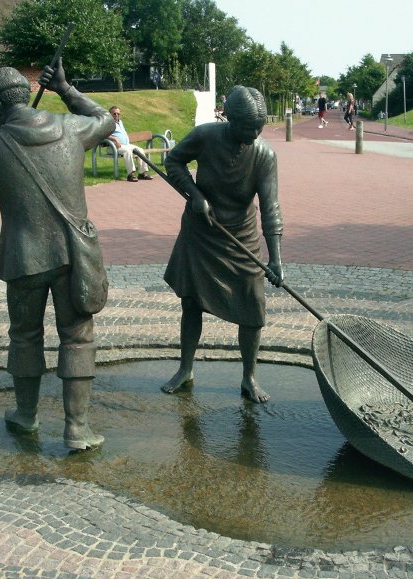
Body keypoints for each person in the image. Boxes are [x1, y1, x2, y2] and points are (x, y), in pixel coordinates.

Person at [0, 61, 114, 451]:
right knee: (78, 339)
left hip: (23, 259)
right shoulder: (70, 128)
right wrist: (66, 89)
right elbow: (105, 119)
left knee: (25, 337)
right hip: (72, 257)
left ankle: (26, 415)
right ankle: (77, 428)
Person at [160, 85, 284, 403]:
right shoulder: (205, 136)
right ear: (229, 119)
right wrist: (195, 195)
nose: (253, 135)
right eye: (247, 128)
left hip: (241, 236)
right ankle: (185, 368)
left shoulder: (264, 155)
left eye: (258, 129)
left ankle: (249, 377)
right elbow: (173, 162)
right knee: (192, 302)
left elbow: (271, 209)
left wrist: (276, 259)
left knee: (253, 308)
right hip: (201, 232)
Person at [107, 106, 153, 182]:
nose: (116, 115)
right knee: (127, 151)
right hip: (113, 146)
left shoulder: (120, 122)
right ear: (110, 114)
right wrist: (115, 139)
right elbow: (103, 135)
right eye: (114, 114)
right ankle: (130, 174)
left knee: (140, 150)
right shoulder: (107, 123)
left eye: (118, 114)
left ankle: (142, 173)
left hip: (126, 145)